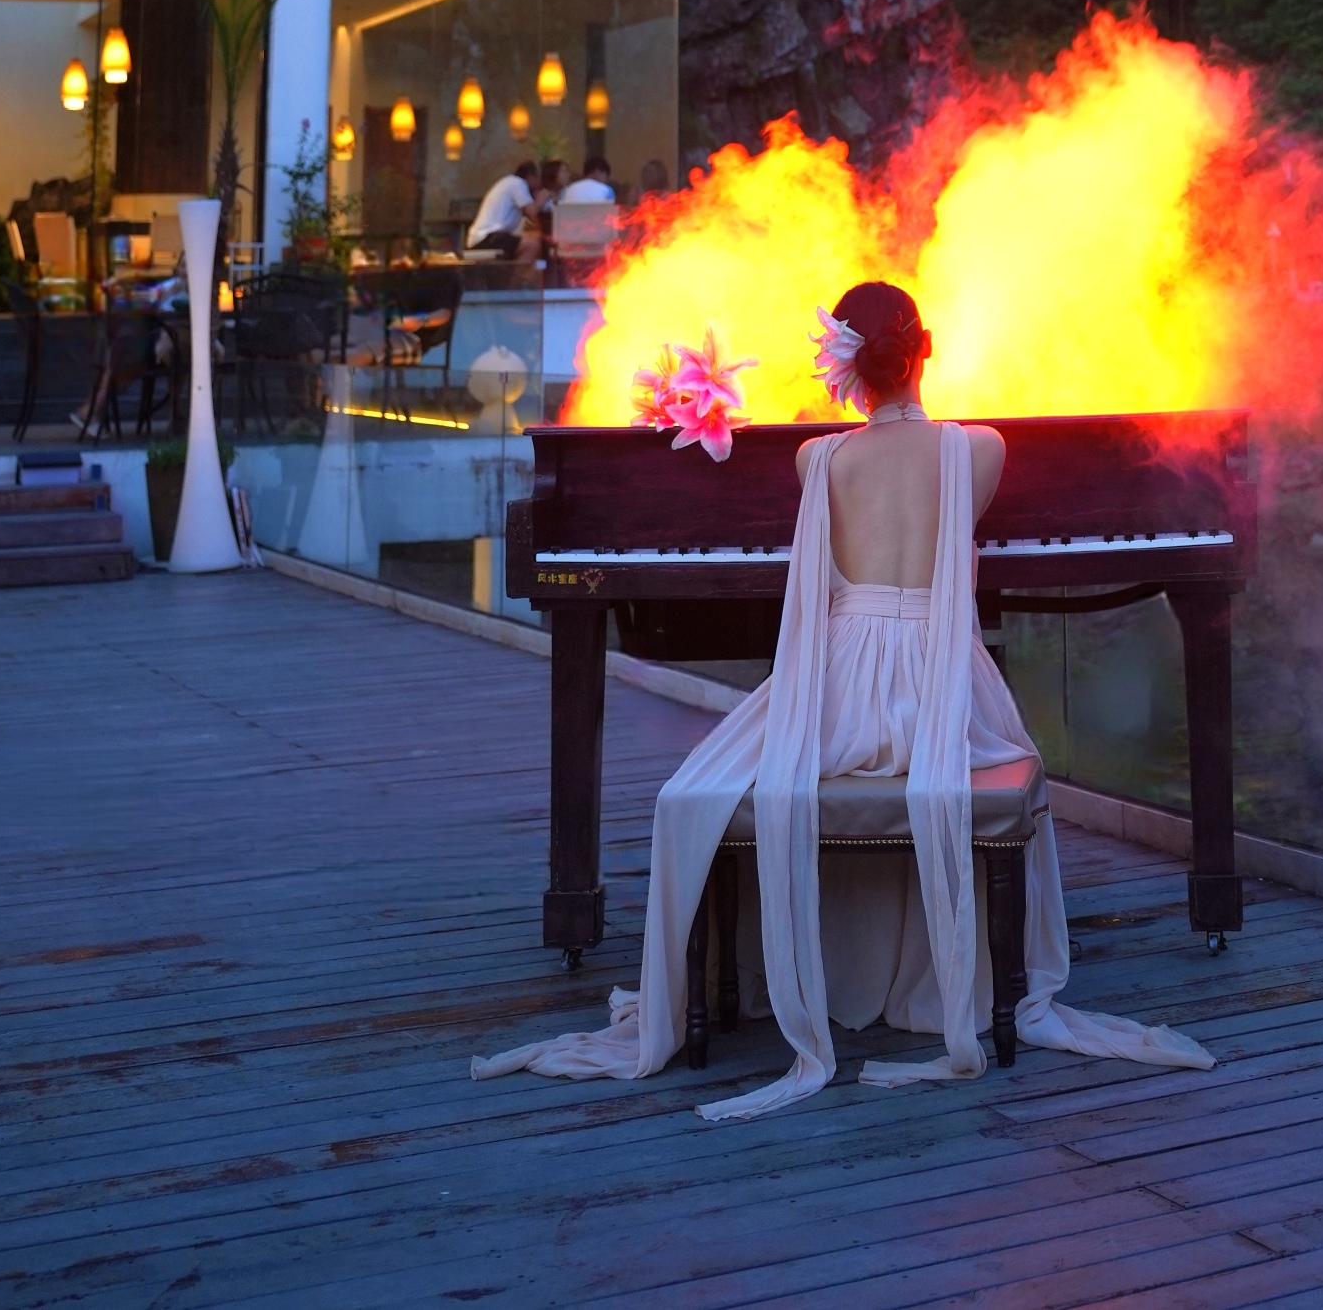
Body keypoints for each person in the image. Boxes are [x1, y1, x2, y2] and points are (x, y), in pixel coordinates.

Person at [475, 280, 1213, 1120]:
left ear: (844, 368)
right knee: (997, 762)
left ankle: (779, 970)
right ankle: (955, 973)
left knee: (699, 787)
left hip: (841, 683)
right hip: (939, 684)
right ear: (924, 351)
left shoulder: (815, 458)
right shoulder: (980, 449)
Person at [466, 161, 536, 255]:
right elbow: (532, 212)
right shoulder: (517, 183)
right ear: (531, 176)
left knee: (523, 243)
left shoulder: (509, 182)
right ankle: (520, 265)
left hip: (486, 237)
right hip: (487, 237)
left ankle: (519, 264)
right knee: (533, 245)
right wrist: (543, 197)